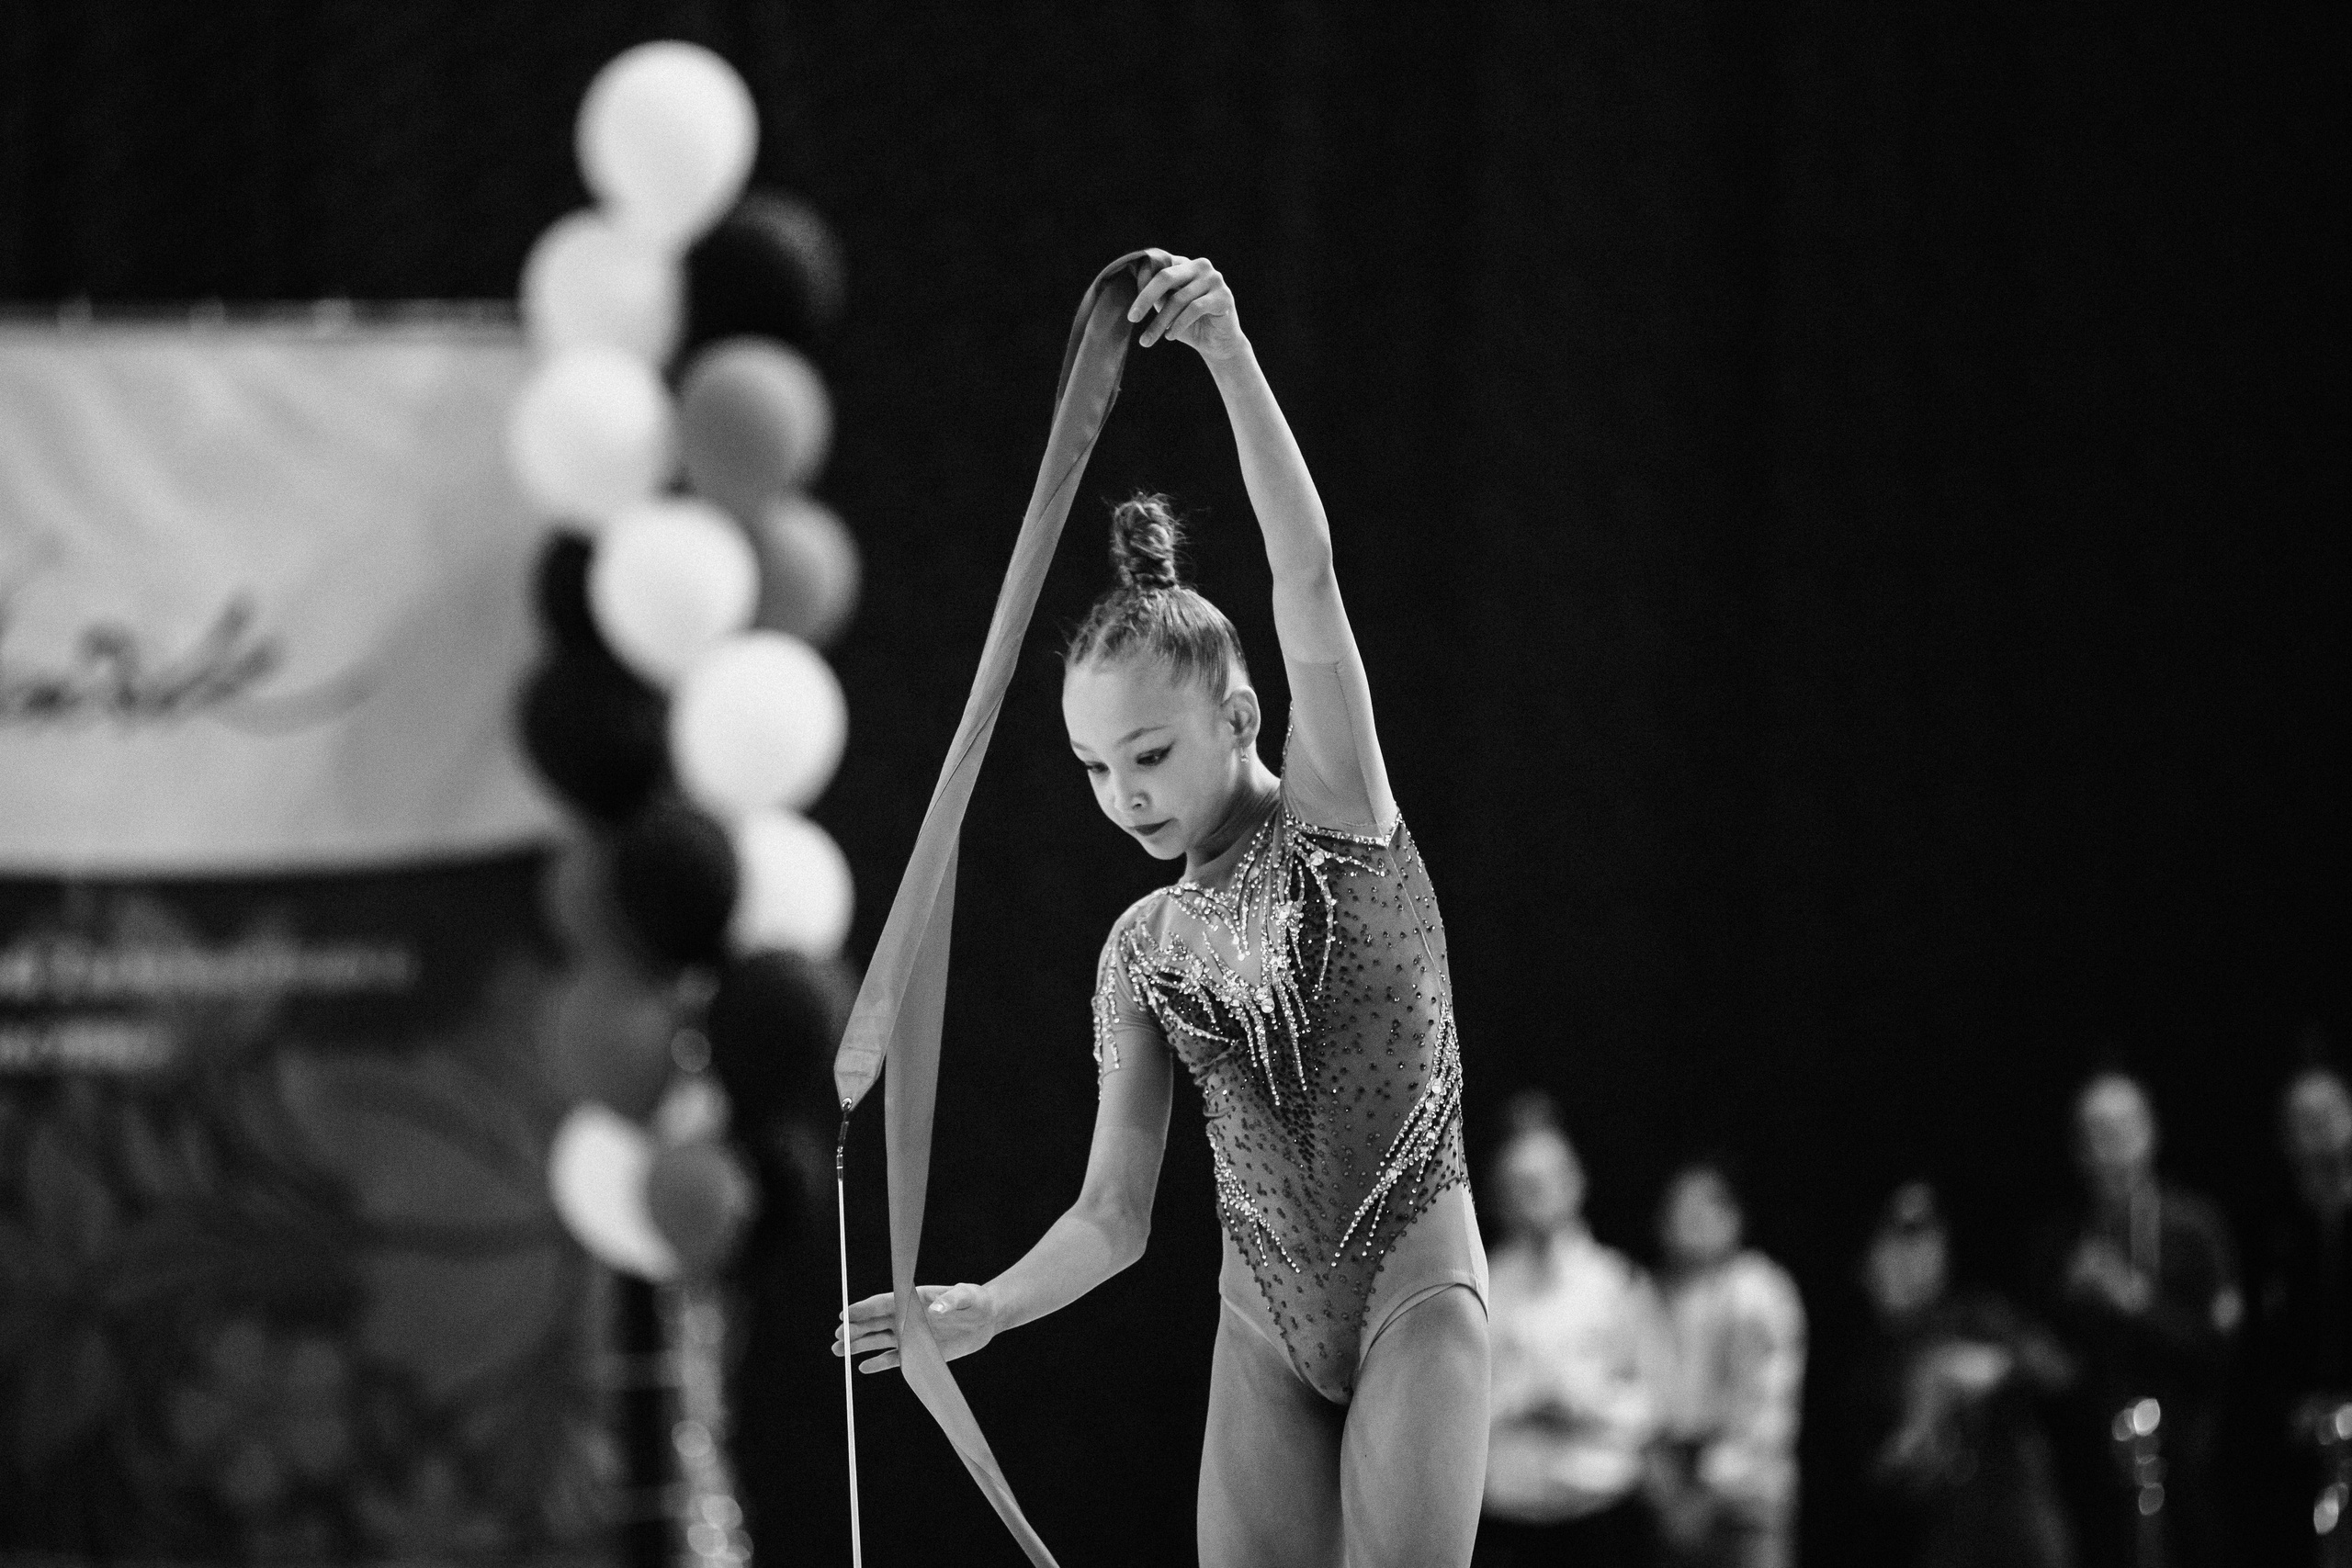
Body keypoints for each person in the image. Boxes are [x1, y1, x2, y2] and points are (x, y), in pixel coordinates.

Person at [834, 251, 1489, 1568]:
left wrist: (1228, 355)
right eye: (1092, 767)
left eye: (1149, 753)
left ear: (1237, 713)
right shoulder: (1140, 950)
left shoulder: (1337, 813)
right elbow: (1113, 1215)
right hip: (1261, 1329)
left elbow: (1306, 575)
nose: (1123, 794)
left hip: (1413, 1300)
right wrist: (985, 1306)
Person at [2034, 1072, 2240, 1568]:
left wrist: (2133, 1299)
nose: (2110, 1148)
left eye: (2122, 1129)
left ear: (2151, 1133)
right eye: (2094, 1134)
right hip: (2094, 1470)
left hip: (2190, 1462)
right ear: (2077, 1150)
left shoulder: (2197, 1227)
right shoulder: (2059, 1240)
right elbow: (2051, 1363)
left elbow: (2221, 1350)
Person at [1474, 1091, 1662, 1568]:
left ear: (1574, 1181)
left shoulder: (1616, 1283)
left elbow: (1656, 1402)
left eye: (1543, 1182)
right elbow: (1459, 1404)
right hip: (1507, 1522)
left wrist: (1581, 1402)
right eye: (1517, 1186)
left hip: (1598, 1515)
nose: (1531, 1198)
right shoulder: (1479, 1287)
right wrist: (1518, 1401)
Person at [1848, 1180, 2075, 1568]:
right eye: (1901, 1240)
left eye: (1930, 1236)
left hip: (2019, 1537)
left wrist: (1995, 1369)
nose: (1918, 1255)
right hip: (1934, 1544)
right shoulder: (1866, 1360)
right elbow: (1873, 1476)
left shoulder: (1978, 1314)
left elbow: (2060, 1370)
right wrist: (1918, 1436)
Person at [1646, 1162, 1806, 1568]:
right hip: (1675, 1491)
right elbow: (1641, 1399)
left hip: (1746, 1504)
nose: (1693, 1220)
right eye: (1681, 1208)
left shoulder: (1757, 1290)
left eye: (1708, 1207)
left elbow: (1765, 1415)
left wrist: (1702, 1495)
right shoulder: (1648, 1293)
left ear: (1734, 1218)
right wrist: (1664, 1485)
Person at [2252, 1065, 2352, 1565]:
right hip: (2300, 1436)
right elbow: (2261, 1342)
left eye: (2325, 1118)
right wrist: (2293, 1407)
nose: (2314, 1137)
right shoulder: (2276, 1225)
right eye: (2299, 1123)